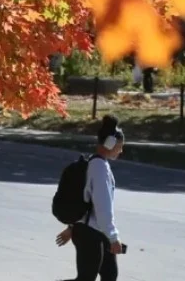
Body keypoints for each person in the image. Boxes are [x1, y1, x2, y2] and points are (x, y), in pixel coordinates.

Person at [56, 115, 125, 281]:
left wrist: (72, 228)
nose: (121, 151)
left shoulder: (98, 164)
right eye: (120, 146)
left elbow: (87, 203)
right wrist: (113, 237)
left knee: (109, 275)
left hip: (95, 231)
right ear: (110, 143)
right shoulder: (99, 168)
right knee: (87, 278)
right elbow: (102, 207)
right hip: (90, 234)